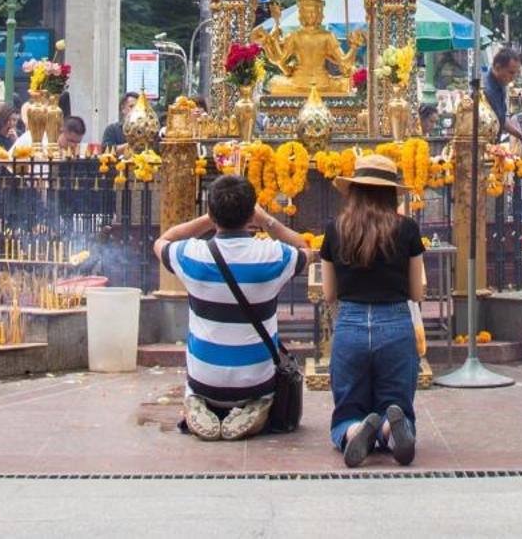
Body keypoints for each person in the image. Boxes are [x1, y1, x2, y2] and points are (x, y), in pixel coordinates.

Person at [155, 174, 308, 445]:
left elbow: (163, 240)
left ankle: (197, 401)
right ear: (251, 213)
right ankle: (257, 404)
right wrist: (266, 220)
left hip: (204, 379)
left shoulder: (192, 255)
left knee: (199, 383)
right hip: (256, 381)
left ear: (212, 213)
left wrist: (208, 219)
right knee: (259, 384)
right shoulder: (272, 255)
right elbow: (303, 246)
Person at [319, 156, 425, 462]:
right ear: (392, 193)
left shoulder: (335, 229)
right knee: (397, 401)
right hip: (394, 322)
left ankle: (356, 431)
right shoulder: (407, 229)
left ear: (354, 191)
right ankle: (393, 431)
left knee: (347, 409)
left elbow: (328, 294)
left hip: (351, 321)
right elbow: (416, 292)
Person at [482, 50, 522, 148]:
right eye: (511, 73)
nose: (513, 77)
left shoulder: (500, 84)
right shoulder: (486, 89)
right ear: (498, 68)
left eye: (516, 73)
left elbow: (502, 119)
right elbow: (500, 119)